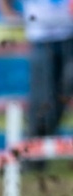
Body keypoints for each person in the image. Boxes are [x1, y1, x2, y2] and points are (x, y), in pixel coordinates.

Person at [15, 0, 73, 138]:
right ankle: (36, 138)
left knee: (64, 90)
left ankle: (46, 134)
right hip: (41, 38)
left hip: (68, 36)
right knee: (42, 96)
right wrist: (8, 13)